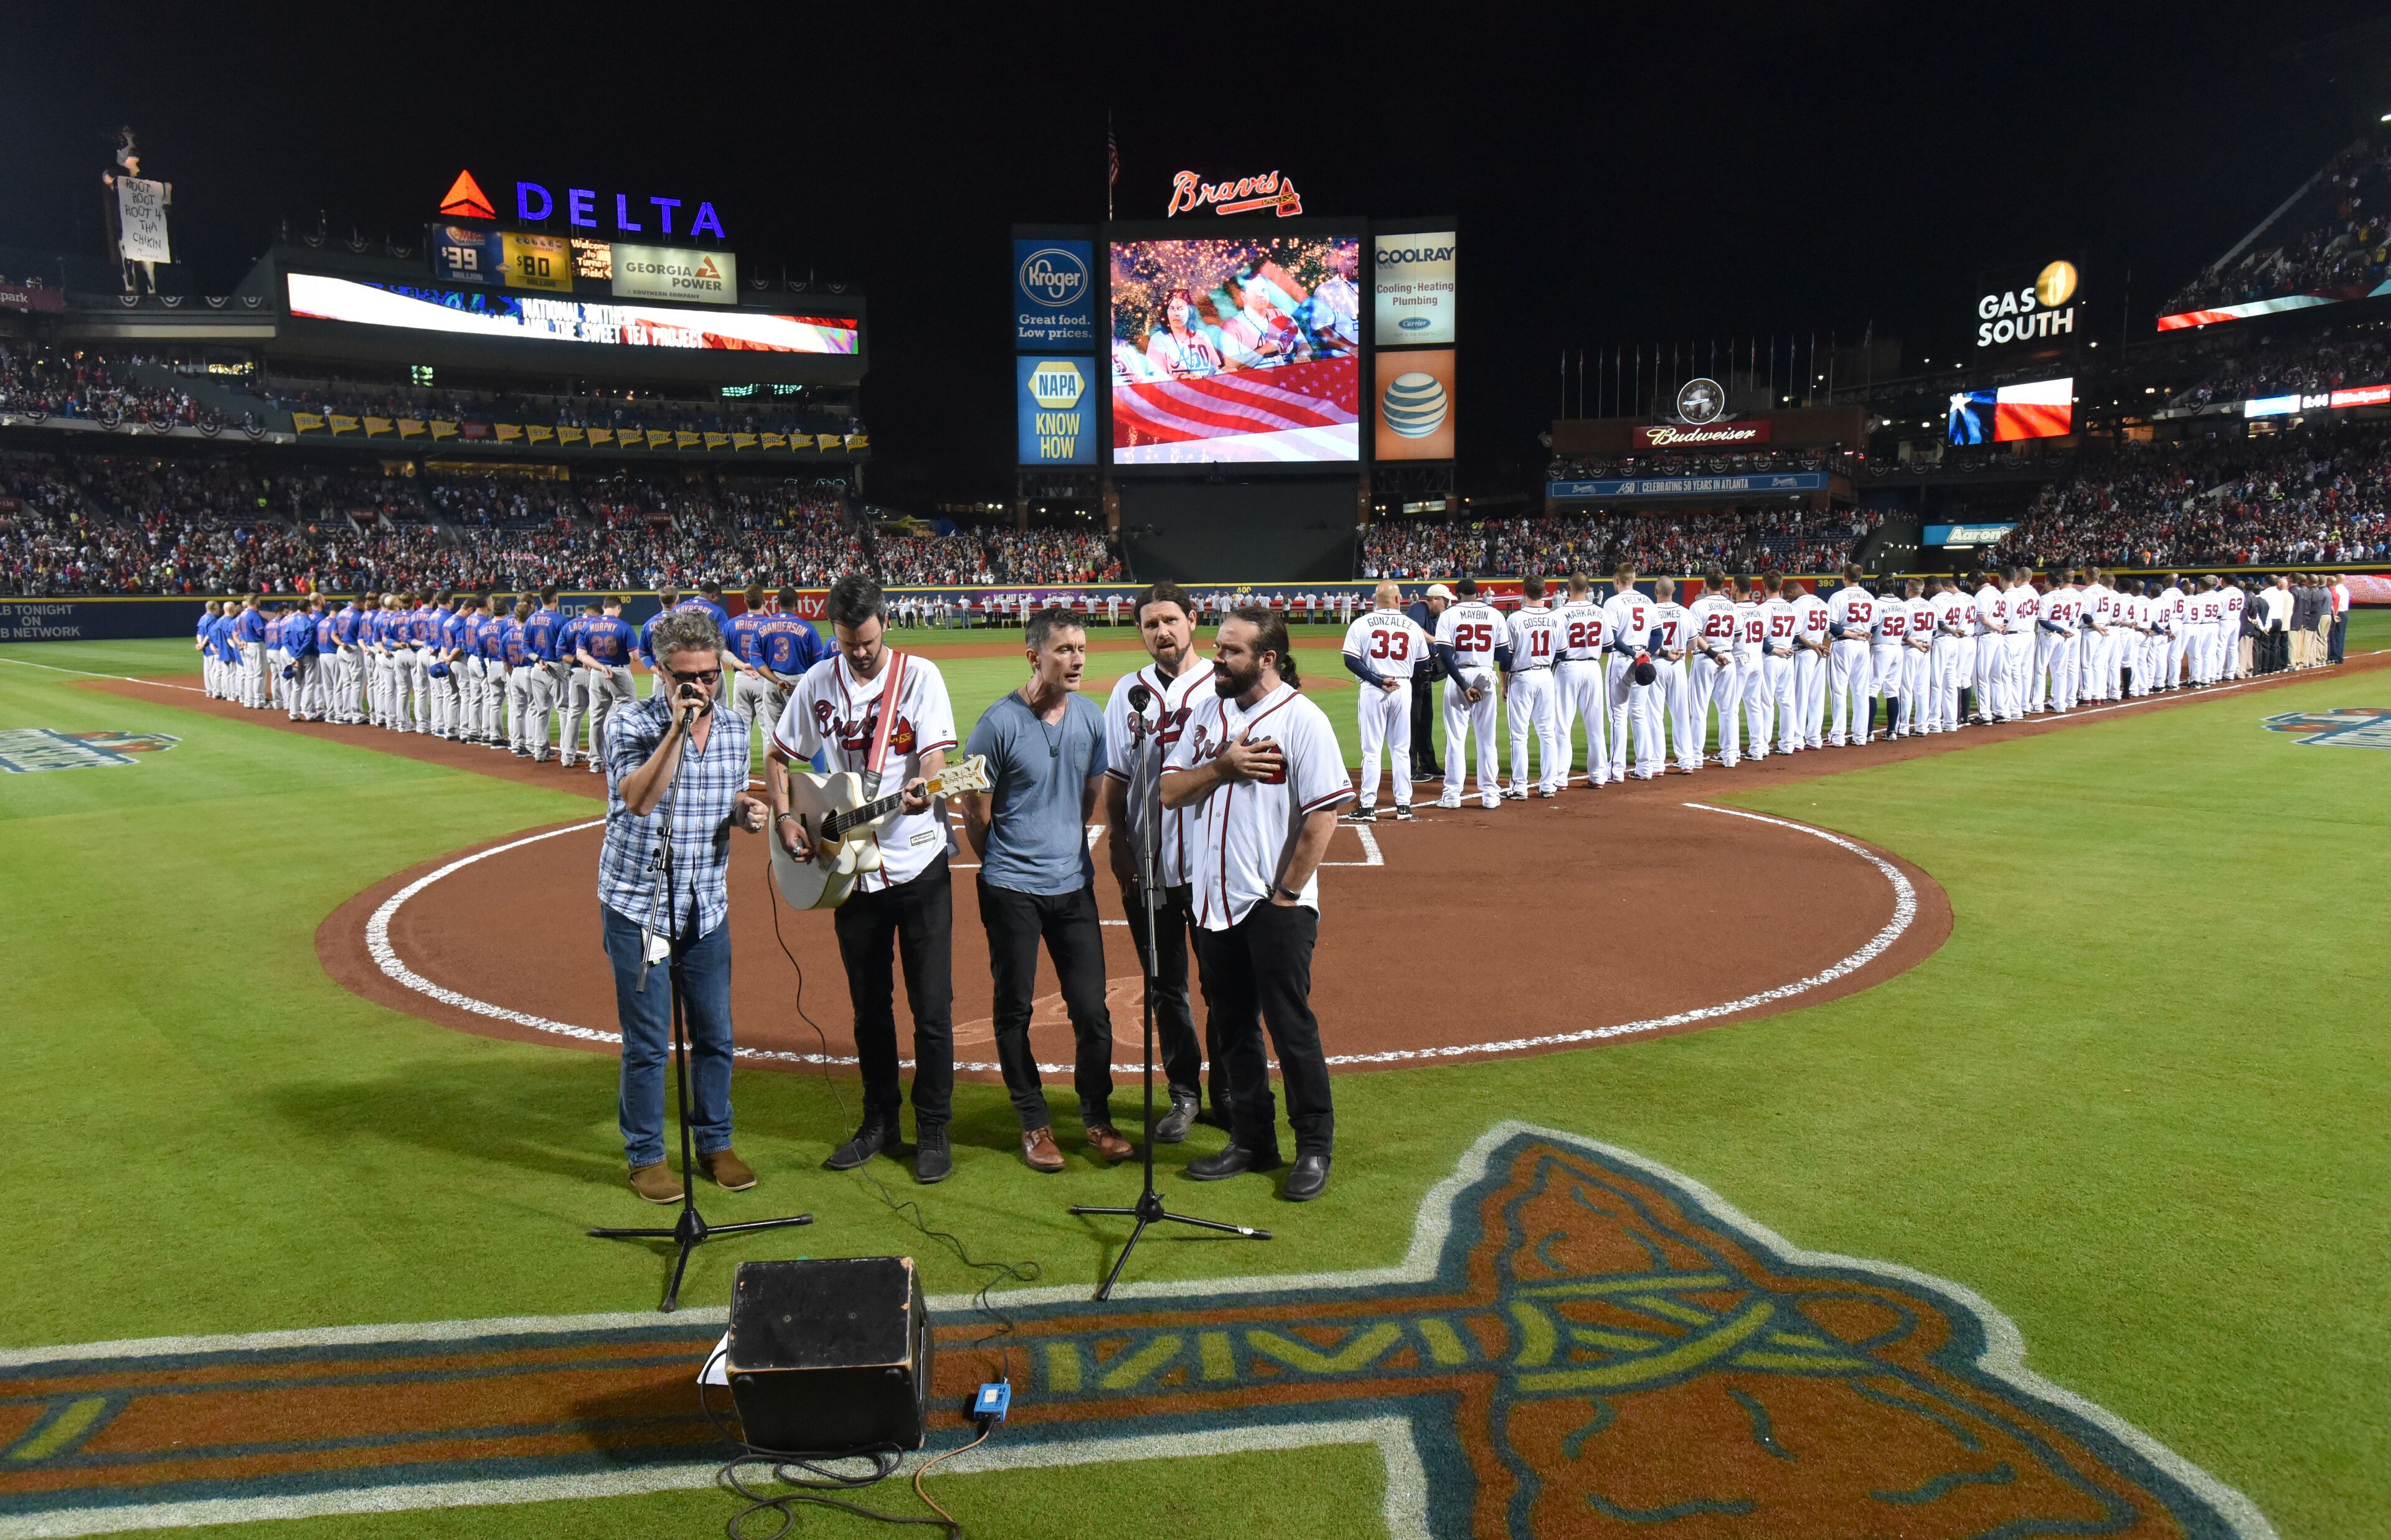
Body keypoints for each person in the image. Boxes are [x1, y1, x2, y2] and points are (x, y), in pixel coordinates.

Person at [769, 575, 960, 1184]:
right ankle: (879, 1119)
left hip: (917, 862)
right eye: (849, 643)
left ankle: (933, 1124)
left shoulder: (920, 675)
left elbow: (936, 759)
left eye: (868, 642)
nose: (859, 653)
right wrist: (783, 816)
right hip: (850, 866)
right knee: (869, 1008)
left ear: (884, 622)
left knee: (931, 1006)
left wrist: (923, 784)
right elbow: (779, 754)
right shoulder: (817, 683)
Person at [1161, 605, 1352, 1201]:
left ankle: (1313, 1147)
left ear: (1267, 659)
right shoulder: (1205, 713)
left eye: (1231, 651)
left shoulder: (1303, 719)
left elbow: (1324, 813)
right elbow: (1169, 790)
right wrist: (1222, 766)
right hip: (1212, 902)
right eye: (1218, 647)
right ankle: (1252, 1139)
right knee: (1235, 1031)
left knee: (1292, 1029)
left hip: (1274, 908)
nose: (1217, 658)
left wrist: (1287, 896)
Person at [596, 608, 773, 1203]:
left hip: (706, 904)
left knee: (716, 1035)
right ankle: (646, 1155)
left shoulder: (732, 728)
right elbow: (640, 801)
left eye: (709, 675)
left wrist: (744, 815)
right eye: (685, 677)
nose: (701, 686)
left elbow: (726, 800)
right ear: (660, 674)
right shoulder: (629, 722)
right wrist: (675, 728)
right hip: (640, 906)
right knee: (648, 1042)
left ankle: (715, 1142)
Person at [960, 606, 1128, 1173]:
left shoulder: (1090, 717)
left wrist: (1061, 851)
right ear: (1035, 656)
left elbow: (1088, 796)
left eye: (1081, 649)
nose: (1077, 659)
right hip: (1011, 889)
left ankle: (1097, 1118)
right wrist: (1007, 867)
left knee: (1092, 1012)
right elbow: (975, 814)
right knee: (1014, 1009)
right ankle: (1034, 1124)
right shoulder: (995, 725)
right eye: (1064, 650)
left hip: (1073, 885)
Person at [1103, 581, 1225, 1140]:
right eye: (1151, 624)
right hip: (1149, 866)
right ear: (1141, 631)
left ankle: (1227, 1089)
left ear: (1192, 621)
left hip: (1211, 866)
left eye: (1171, 620)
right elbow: (1117, 778)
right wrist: (1119, 846)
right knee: (1165, 985)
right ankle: (1183, 1094)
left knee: (1223, 983)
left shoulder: (1222, 685)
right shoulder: (1128, 691)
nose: (1162, 632)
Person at [1341, 581, 1432, 819]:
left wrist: (1377, 680)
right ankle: (1404, 805)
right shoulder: (1412, 626)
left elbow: (1351, 660)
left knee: (1371, 750)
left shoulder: (1361, 623)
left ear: (1374, 600)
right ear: (1399, 599)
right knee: (1401, 749)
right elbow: (1423, 665)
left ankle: (1368, 805)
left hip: (1373, 689)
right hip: (1403, 688)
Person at [1432, 578, 1508, 809]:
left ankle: (1453, 794)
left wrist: (1464, 685)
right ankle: (1491, 795)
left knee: (1456, 739)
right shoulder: (1495, 615)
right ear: (1478, 593)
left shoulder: (1449, 615)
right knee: (1487, 739)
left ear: (1457, 594)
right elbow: (1504, 655)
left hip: (1459, 675)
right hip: (1486, 675)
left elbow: (1445, 655)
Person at [1502, 575, 1563, 798]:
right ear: (1545, 593)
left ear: (1524, 592)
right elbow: (1562, 652)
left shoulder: (1515, 619)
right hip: (1546, 676)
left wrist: (1504, 683)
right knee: (1547, 733)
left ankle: (1519, 786)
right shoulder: (1556, 618)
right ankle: (1548, 785)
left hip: (1522, 677)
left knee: (1519, 735)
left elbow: (1506, 659)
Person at [1550, 574, 1611, 786]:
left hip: (1568, 668)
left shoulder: (1559, 613)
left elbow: (1555, 650)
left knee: (1562, 725)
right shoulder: (1599, 612)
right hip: (1593, 667)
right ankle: (1598, 775)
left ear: (1568, 588)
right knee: (1595, 725)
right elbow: (1608, 646)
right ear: (1588, 589)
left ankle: (1560, 777)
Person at [577, 596, 638, 774]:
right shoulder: (624, 626)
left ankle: (595, 762)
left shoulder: (588, 626)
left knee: (596, 717)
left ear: (604, 607)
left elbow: (581, 655)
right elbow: (634, 657)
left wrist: (600, 667)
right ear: (619, 607)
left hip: (596, 673)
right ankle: (619, 757)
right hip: (619, 673)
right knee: (625, 711)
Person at [1405, 583, 1451, 781]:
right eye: (1445, 600)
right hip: (1414, 674)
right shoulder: (1419, 608)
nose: (1447, 604)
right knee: (1413, 721)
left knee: (1426, 719)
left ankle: (1428, 764)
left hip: (1425, 674)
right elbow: (1413, 628)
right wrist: (1435, 641)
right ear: (1434, 599)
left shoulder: (1436, 616)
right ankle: (1410, 768)